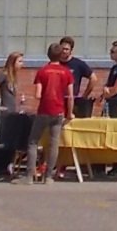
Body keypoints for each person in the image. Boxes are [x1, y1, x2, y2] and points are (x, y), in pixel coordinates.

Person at [28, 43, 74, 184]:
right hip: (58, 110)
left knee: (33, 142)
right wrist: (69, 113)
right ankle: (48, 176)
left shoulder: (42, 71)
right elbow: (70, 96)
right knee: (54, 143)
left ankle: (30, 176)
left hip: (44, 110)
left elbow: (38, 94)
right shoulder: (66, 72)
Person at [57, 37, 94, 118]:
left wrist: (85, 96)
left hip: (72, 102)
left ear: (71, 50)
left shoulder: (78, 64)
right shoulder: (54, 63)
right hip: (57, 102)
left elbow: (93, 78)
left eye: (66, 49)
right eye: (62, 48)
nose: (64, 51)